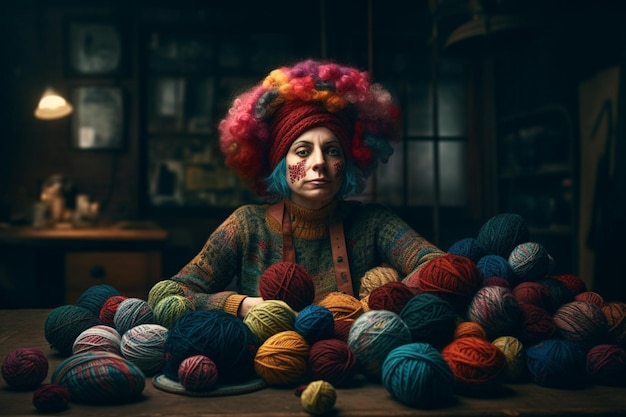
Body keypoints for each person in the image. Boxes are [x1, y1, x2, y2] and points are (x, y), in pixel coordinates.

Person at [163, 59, 445, 319]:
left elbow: (441, 268)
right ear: (280, 165)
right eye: (302, 151)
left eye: (332, 151)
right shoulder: (247, 226)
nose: (319, 163)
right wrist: (241, 305)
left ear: (346, 161)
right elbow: (169, 295)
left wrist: (384, 297)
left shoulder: (373, 223)